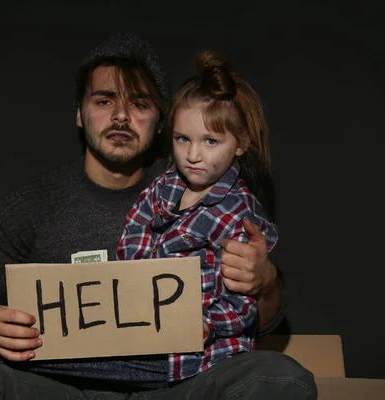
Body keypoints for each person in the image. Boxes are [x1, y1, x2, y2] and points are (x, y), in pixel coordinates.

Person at [0, 33, 316, 399]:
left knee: (284, 380)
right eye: (104, 100)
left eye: (139, 104)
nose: (120, 117)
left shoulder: (203, 193)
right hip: (57, 389)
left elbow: (268, 318)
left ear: (160, 123)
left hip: (175, 386)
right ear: (80, 113)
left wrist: (265, 282)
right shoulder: (30, 205)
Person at [117, 50, 279, 382]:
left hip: (210, 361)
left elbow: (243, 307)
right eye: (182, 139)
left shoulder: (239, 213)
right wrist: (139, 280)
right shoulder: (163, 187)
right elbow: (134, 229)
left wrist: (203, 323)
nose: (192, 155)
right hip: (150, 347)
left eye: (210, 141)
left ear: (241, 143)